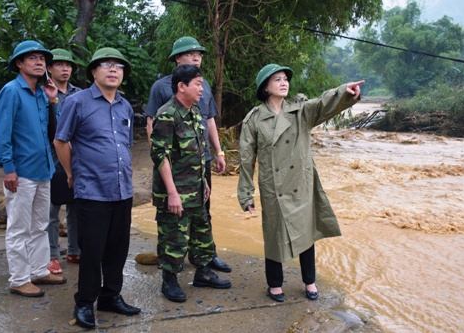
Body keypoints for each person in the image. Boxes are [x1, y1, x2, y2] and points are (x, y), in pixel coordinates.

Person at [237, 63, 364, 302]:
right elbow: (246, 158)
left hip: (301, 182)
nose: (284, 83)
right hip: (272, 185)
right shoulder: (253, 120)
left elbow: (324, 104)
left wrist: (344, 92)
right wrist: (245, 194)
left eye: (285, 78)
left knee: (306, 232)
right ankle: (274, 285)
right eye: (277, 80)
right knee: (274, 233)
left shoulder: (301, 110)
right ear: (265, 87)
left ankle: (310, 281)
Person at [54, 47, 140, 328]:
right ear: (93, 71)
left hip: (122, 189)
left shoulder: (126, 106)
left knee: (118, 248)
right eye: (106, 65)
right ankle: (84, 303)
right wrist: (70, 173)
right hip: (92, 190)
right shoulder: (78, 102)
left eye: (119, 66)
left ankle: (110, 296)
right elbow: (61, 141)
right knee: (92, 250)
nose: (113, 70)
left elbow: (125, 145)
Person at [145, 36, 231, 273]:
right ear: (177, 59)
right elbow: (152, 124)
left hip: (200, 160)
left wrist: (219, 152)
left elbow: (210, 119)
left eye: (200, 54)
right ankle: (173, 262)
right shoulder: (162, 87)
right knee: (174, 215)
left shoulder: (202, 86)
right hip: (176, 161)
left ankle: (204, 256)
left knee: (202, 211)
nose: (196, 57)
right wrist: (162, 156)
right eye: (190, 53)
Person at [0, 40, 67, 298]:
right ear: (19, 63)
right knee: (19, 228)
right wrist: (8, 168)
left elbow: (54, 132)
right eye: (32, 58)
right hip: (21, 172)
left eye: (42, 59)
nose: (39, 62)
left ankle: (38, 269)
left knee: (39, 226)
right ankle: (19, 279)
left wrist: (52, 101)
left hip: (43, 169)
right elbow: (3, 133)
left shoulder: (42, 93)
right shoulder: (12, 91)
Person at [45, 48, 81, 274]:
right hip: (50, 158)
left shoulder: (79, 93)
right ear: (49, 68)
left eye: (68, 65)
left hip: (76, 156)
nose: (65, 68)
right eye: (59, 65)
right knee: (51, 210)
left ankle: (75, 250)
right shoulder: (43, 94)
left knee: (75, 207)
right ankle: (51, 255)